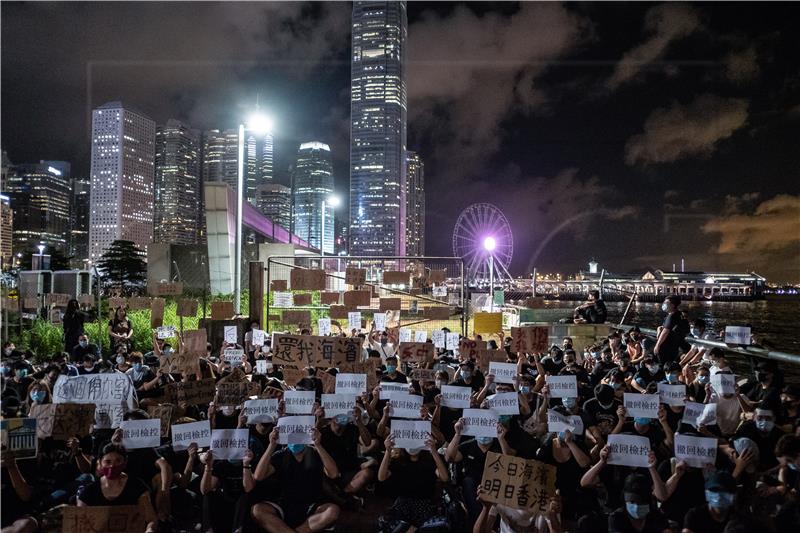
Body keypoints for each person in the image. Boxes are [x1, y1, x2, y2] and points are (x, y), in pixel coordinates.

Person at [250, 427, 341, 532]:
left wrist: (318, 445)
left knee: (332, 511)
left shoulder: (315, 453)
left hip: (311, 506)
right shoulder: (281, 455)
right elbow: (258, 476)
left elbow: (333, 474)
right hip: (284, 505)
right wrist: (271, 446)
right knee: (257, 510)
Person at [77, 444, 159, 533]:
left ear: (125, 462)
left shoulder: (137, 486)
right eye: (108, 462)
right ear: (100, 462)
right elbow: (80, 523)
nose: (112, 466)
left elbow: (151, 519)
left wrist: (149, 530)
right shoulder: (90, 491)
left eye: (118, 461)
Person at [654, 296, 688, 364]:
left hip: (666, 347)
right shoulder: (679, 314)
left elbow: (665, 332)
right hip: (674, 346)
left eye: (666, 302)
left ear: (672, 305)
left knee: (663, 365)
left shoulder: (671, 316)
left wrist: (657, 345)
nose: (664, 304)